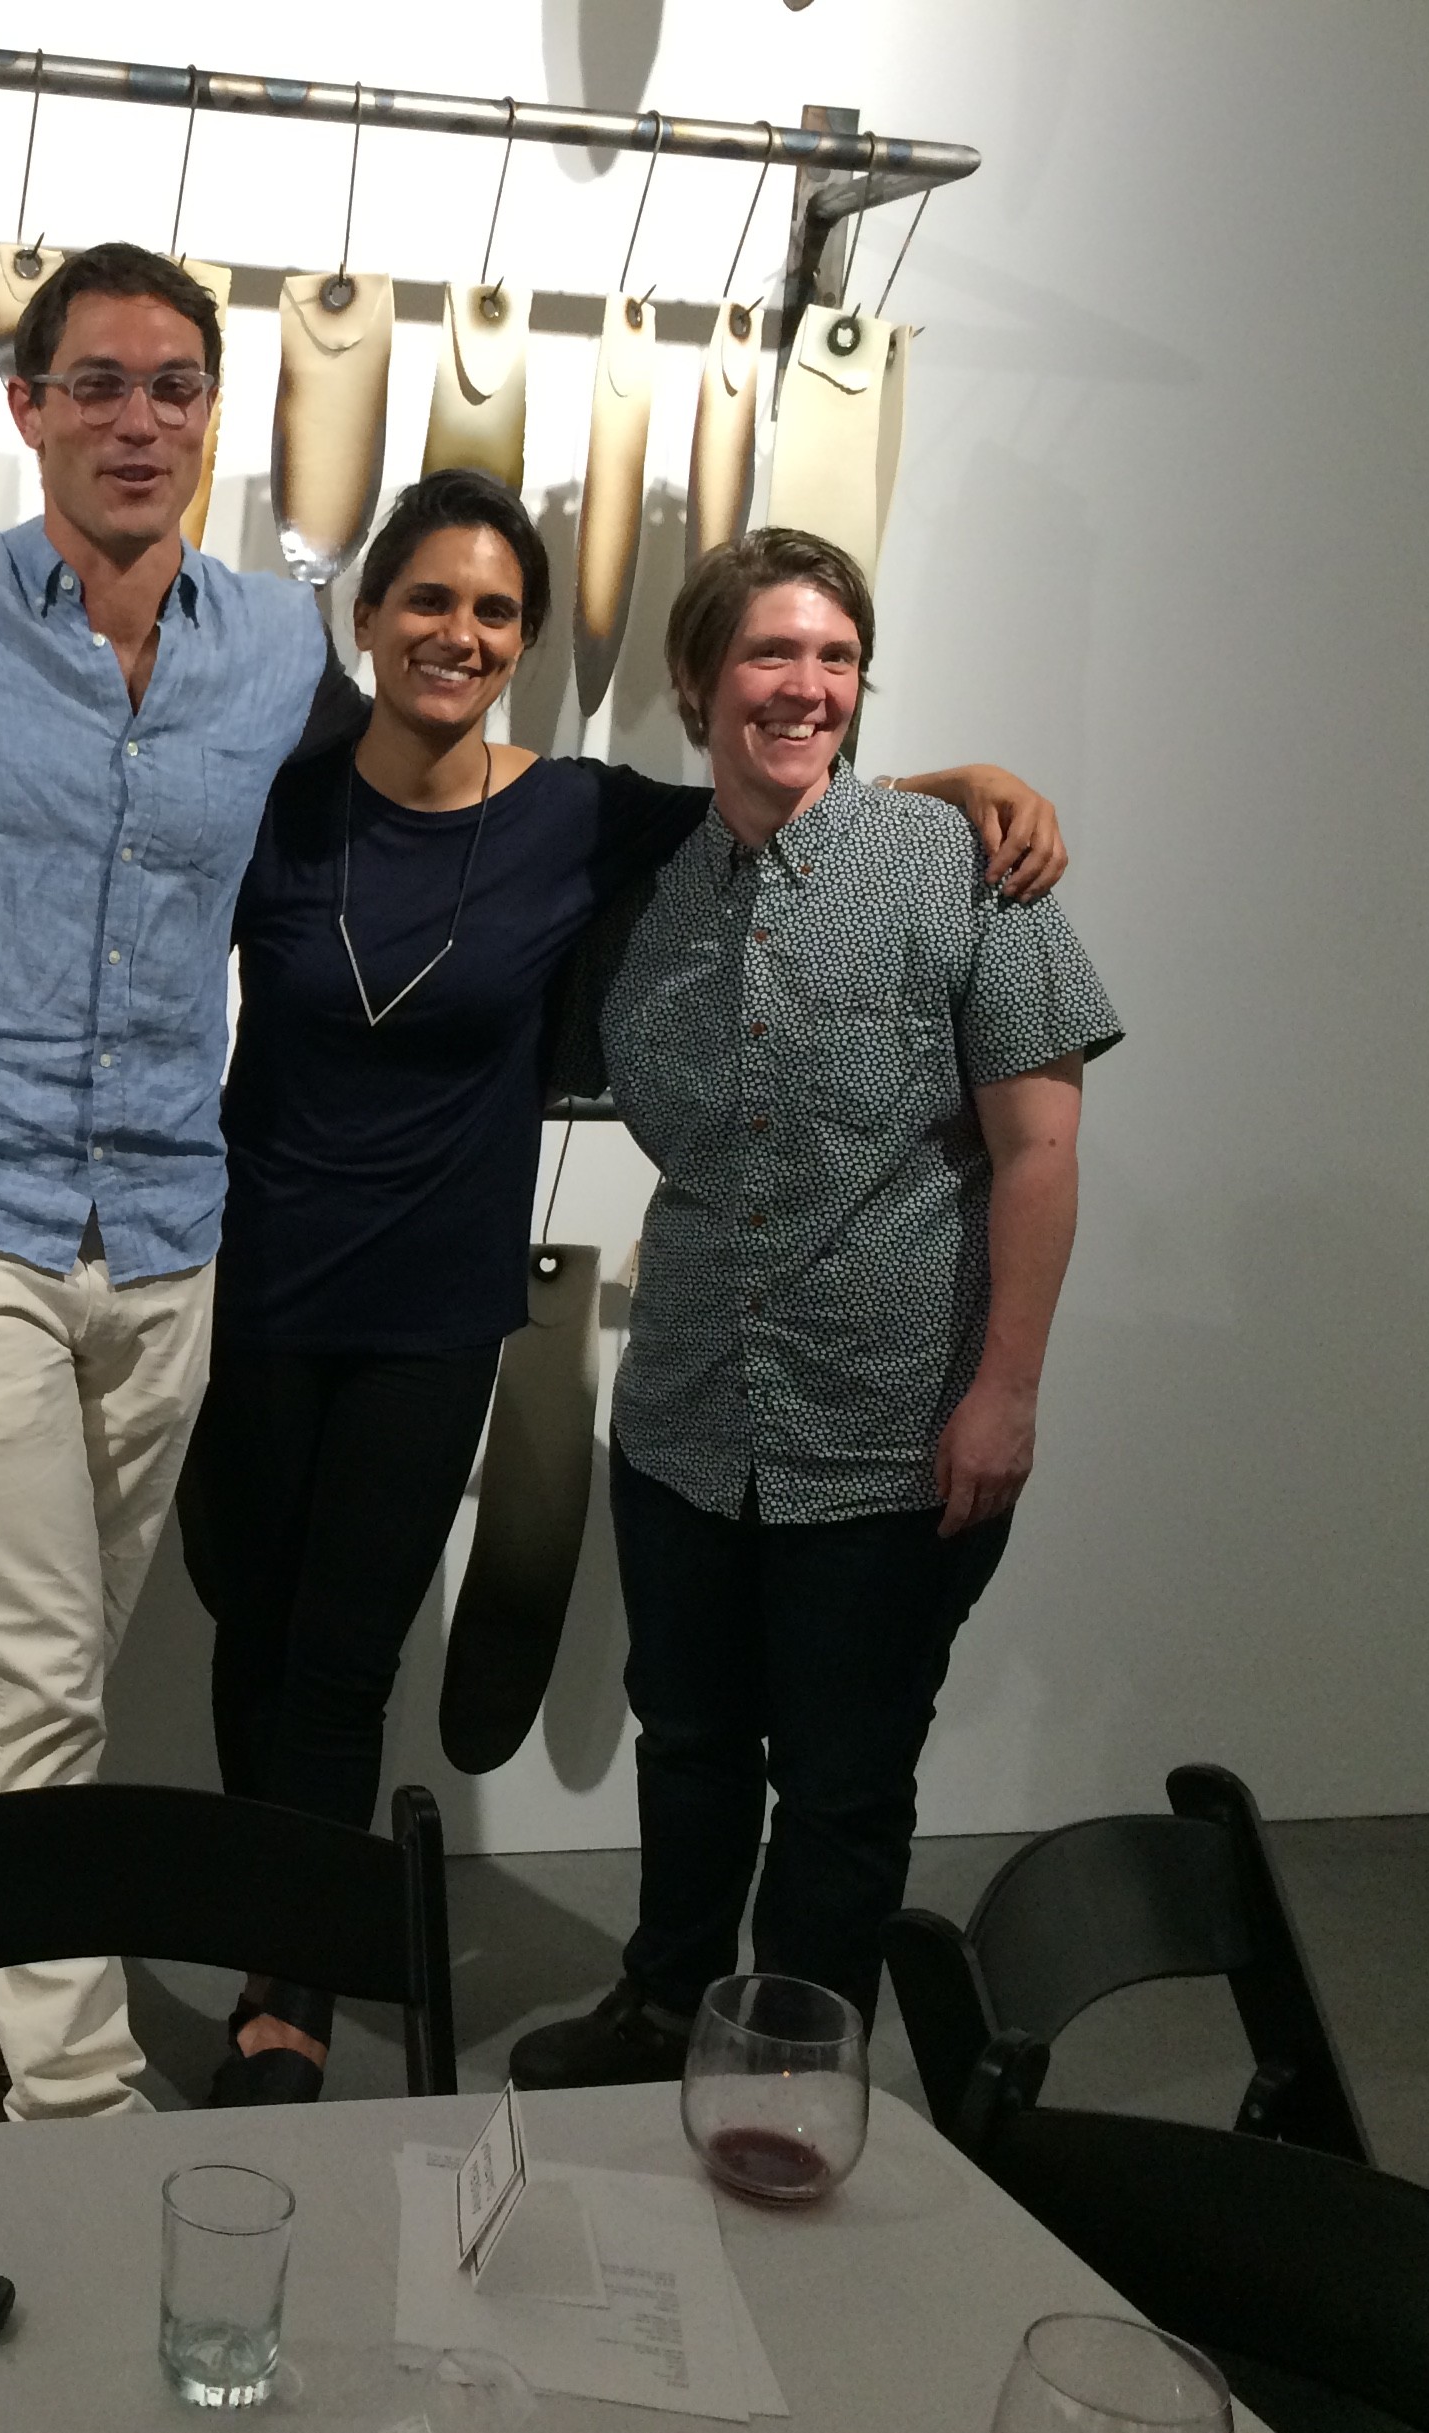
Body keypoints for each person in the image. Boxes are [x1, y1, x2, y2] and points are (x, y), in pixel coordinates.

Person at [0, 244, 1059, 2123]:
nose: (137, 418)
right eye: (96, 382)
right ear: (27, 404)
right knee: (33, 1654)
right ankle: (73, 2100)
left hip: (173, 1222)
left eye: (173, 385)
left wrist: (933, 780)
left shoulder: (270, 654)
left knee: (59, 1655)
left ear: (214, 414)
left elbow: (589, 780)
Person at [176, 475, 1067, 2106]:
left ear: (527, 640)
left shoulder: (581, 816)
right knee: (253, 1627)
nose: (459, 633)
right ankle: (296, 1935)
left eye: (496, 610)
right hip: (255, 1288)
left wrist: (970, 785)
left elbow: (790, 796)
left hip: (438, 1311)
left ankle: (295, 1991)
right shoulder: (274, 804)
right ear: (365, 619)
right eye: (428, 600)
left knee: (348, 1658)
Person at [508, 529, 1120, 2089]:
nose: (804, 687)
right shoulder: (643, 901)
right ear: (698, 680)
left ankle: (798, 2052)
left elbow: (1039, 1150)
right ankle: (664, 2005)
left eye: (834, 658)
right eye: (771, 656)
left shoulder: (969, 871)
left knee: (845, 1778)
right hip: (691, 1414)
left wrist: (1008, 1391)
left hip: (895, 1419)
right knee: (693, 1742)